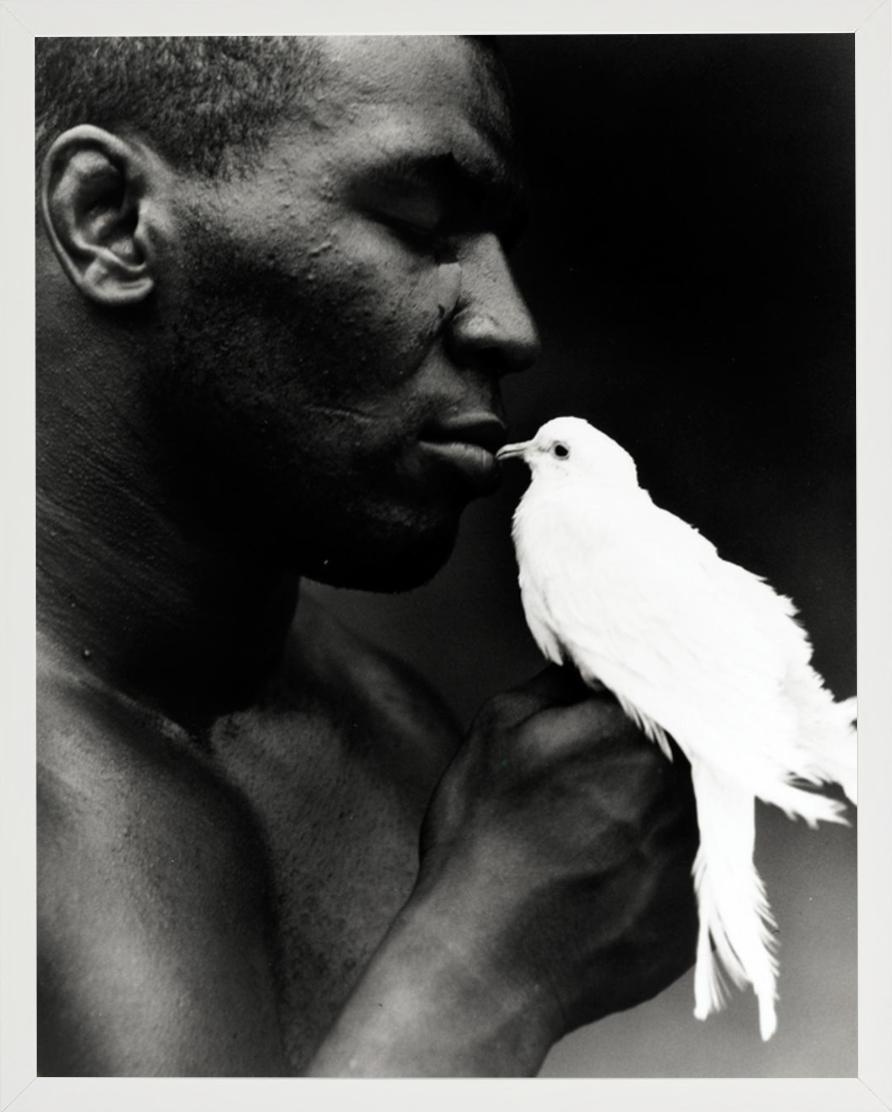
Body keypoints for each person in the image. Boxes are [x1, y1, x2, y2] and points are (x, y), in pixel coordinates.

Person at [36, 35, 700, 1077]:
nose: (510, 326)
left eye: (496, 242)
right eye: (421, 224)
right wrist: (479, 972)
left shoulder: (398, 744)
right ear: (110, 220)